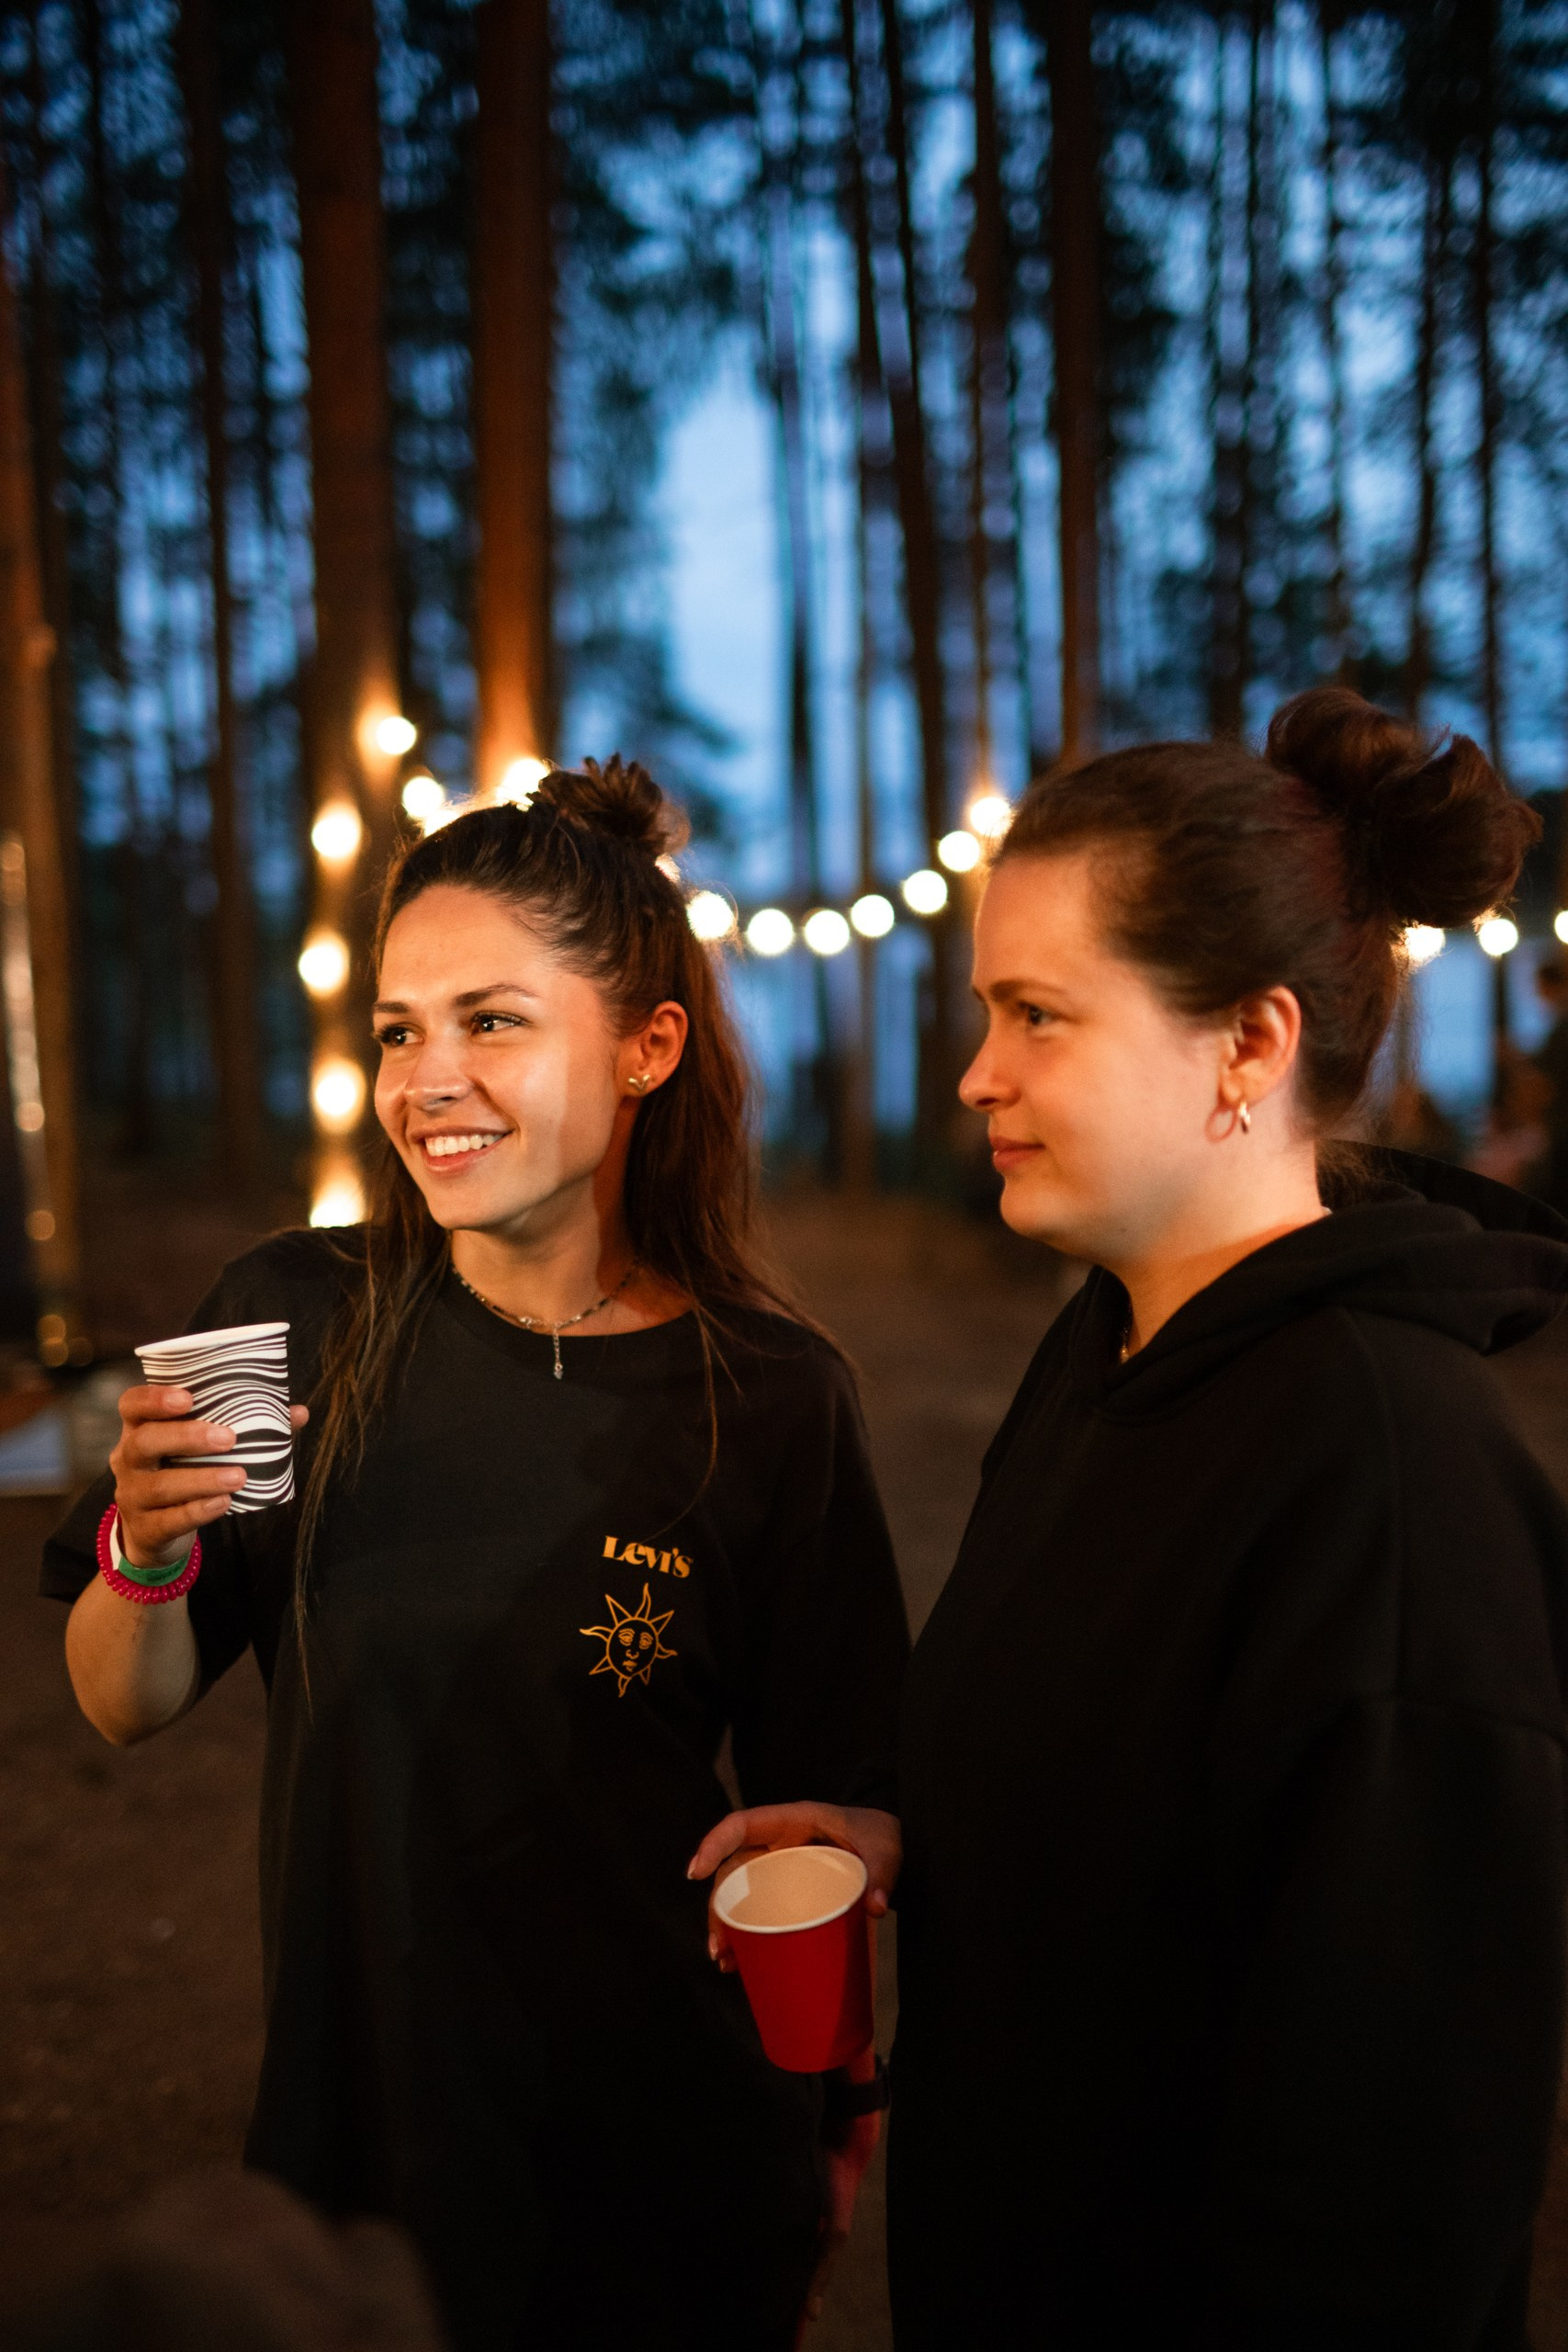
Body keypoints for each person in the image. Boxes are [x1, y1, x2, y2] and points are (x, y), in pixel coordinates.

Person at [694, 688, 1568, 2348]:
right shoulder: (1112, 1349)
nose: (978, 1074)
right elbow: (1142, 1815)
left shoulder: (1394, 1481)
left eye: (1040, 1015)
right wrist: (907, 1839)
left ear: (1250, 1043)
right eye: (987, 1011)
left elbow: (1397, 2194)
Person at [42, 762, 908, 2352]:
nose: (428, 1080)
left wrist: (831, 2129)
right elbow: (121, 1703)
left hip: (666, 2176)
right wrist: (146, 1550)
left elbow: (824, 1830)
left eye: (492, 1021)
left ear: (648, 1046)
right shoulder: (290, 1316)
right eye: (399, 1031)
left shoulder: (774, 1396)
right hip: (357, 2168)